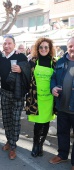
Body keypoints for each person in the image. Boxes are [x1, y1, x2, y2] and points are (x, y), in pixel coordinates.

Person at [0, 35, 30, 160]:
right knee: (6, 119)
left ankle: (13, 146)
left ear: (14, 44)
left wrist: (21, 69)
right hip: (4, 92)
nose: (7, 46)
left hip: (17, 93)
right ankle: (9, 140)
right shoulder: (0, 57)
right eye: (5, 43)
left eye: (9, 43)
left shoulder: (20, 56)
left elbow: (29, 71)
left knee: (15, 119)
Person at [25, 37, 56, 158]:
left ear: (50, 48)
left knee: (46, 123)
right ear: (37, 48)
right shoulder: (32, 61)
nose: (43, 49)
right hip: (35, 98)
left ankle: (41, 145)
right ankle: (35, 145)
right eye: (41, 47)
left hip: (49, 99)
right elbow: (25, 73)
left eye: (46, 47)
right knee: (38, 124)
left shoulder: (54, 62)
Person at [49, 37, 74, 170]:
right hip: (62, 106)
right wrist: (52, 88)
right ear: (67, 47)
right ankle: (62, 155)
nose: (72, 49)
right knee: (62, 132)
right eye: (70, 46)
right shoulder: (60, 62)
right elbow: (53, 78)